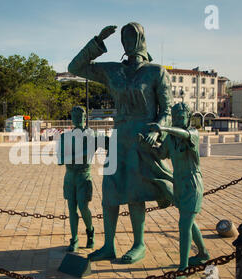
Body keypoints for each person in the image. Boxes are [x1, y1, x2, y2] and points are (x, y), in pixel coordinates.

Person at [68, 22, 174, 263]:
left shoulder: (156, 72)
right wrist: (97, 42)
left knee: (136, 193)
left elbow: (166, 111)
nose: (128, 42)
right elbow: (75, 67)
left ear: (142, 41)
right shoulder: (113, 71)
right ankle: (108, 246)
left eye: (132, 37)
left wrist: (157, 131)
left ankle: (139, 244)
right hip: (118, 138)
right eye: (124, 38)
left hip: (141, 139)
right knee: (110, 193)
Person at [139, 102, 210, 271]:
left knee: (184, 225)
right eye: (175, 117)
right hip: (179, 184)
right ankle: (203, 253)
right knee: (189, 222)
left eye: (181, 117)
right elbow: (161, 154)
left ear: (188, 118)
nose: (178, 119)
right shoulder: (170, 139)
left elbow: (184, 134)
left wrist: (163, 129)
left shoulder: (192, 133)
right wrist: (146, 145)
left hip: (193, 184)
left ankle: (183, 267)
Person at [57, 106, 106, 252]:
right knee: (72, 209)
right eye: (75, 117)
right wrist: (81, 154)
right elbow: (60, 160)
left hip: (84, 175)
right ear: (71, 119)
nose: (77, 120)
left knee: (84, 207)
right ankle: (74, 239)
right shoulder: (65, 137)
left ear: (85, 119)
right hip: (70, 176)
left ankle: (90, 231)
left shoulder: (92, 135)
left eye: (80, 117)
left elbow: (110, 144)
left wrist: (71, 156)